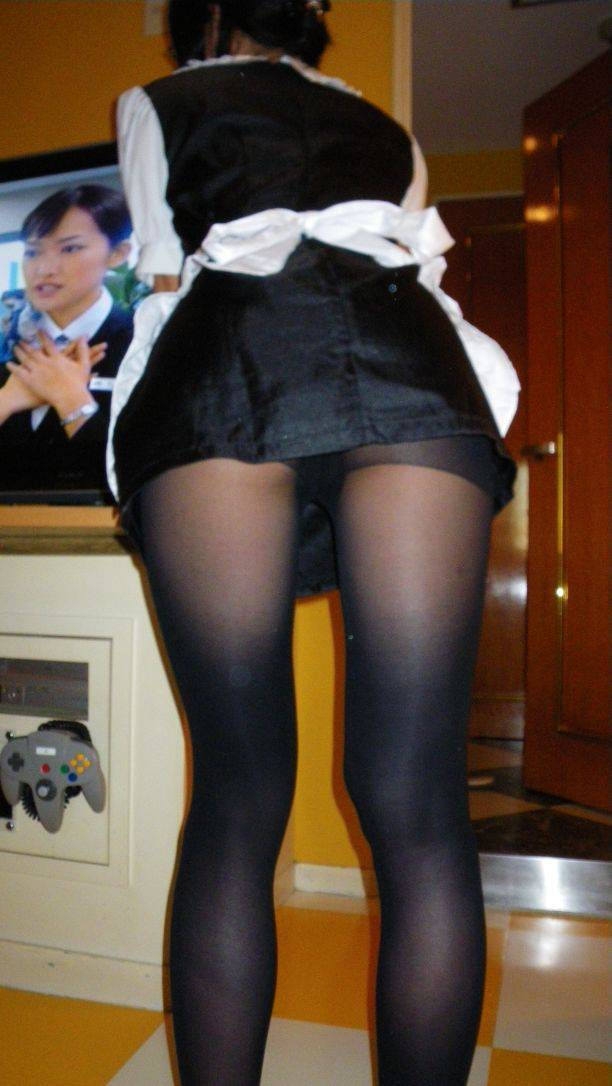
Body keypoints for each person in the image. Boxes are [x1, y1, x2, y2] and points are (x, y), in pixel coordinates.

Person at [108, 2, 520, 1082]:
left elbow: (164, 275)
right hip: (411, 375)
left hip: (229, 371)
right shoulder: (387, 128)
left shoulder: (158, 102)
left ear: (201, 18)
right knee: (421, 812)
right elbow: (420, 267)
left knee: (237, 800)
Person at [0, 184, 133, 493]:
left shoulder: (146, 345)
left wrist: (71, 399)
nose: (44, 269)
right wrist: (6, 400)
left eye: (70, 249)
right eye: (33, 252)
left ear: (117, 254)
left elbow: (150, 483)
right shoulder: (8, 343)